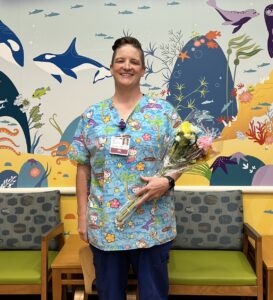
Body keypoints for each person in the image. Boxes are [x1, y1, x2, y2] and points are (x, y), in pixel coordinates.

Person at [68, 36, 181, 300]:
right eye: (120, 60)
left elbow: (182, 157)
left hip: (153, 224)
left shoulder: (163, 112)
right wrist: (83, 217)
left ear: (143, 69)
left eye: (134, 61)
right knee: (109, 295)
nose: (127, 66)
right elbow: (82, 168)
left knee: (154, 295)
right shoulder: (92, 116)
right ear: (111, 67)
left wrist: (168, 180)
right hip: (105, 224)